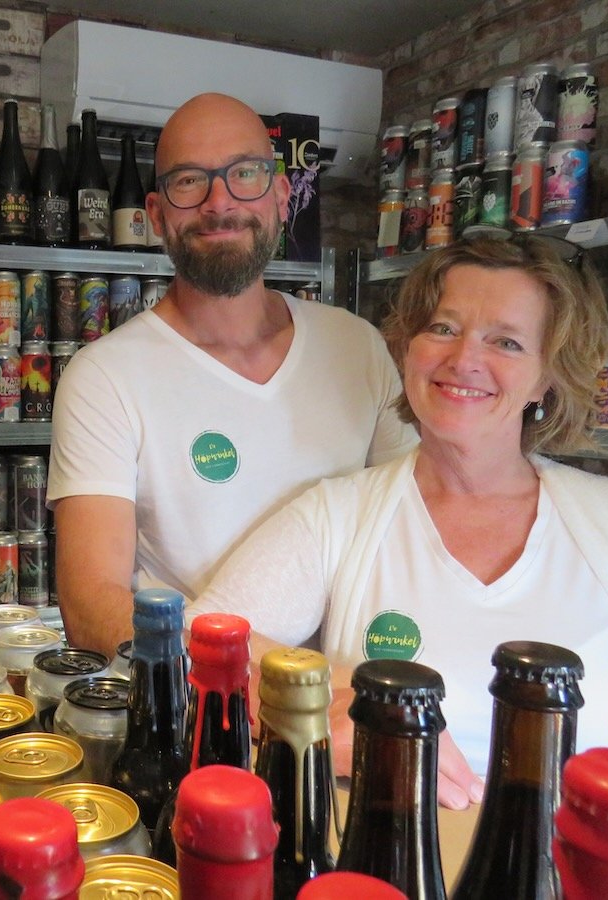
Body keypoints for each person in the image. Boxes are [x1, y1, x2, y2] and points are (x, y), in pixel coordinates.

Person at [190, 235, 608, 808]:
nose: (464, 359)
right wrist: (304, 712)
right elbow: (193, 642)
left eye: (505, 341)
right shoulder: (340, 515)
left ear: (546, 378)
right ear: (408, 349)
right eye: (443, 328)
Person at [47, 93, 416, 657]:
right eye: (189, 181)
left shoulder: (357, 347)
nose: (219, 202)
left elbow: (411, 526)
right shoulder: (104, 378)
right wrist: (275, 678)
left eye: (245, 173)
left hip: (349, 696)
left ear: (282, 195)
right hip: (200, 700)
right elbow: (91, 605)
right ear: (156, 214)